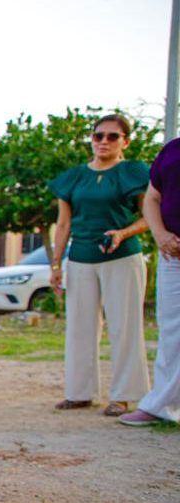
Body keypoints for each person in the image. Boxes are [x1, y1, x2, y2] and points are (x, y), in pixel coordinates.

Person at [49, 113, 150, 416]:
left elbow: (149, 217)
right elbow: (63, 223)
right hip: (80, 257)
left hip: (122, 257)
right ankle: (79, 392)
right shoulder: (74, 177)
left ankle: (124, 395)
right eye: (98, 136)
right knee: (80, 326)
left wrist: (123, 232)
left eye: (112, 136)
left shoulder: (132, 173)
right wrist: (56, 265)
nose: (104, 141)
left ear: (125, 142)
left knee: (124, 325)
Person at [119, 138, 180, 426]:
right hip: (173, 253)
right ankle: (162, 407)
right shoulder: (172, 150)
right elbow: (152, 198)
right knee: (173, 331)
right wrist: (160, 235)